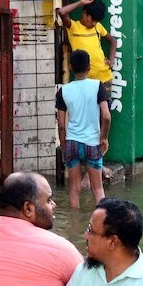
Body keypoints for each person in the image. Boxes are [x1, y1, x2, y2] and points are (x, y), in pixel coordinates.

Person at [56, 50, 111, 210]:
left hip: (72, 142)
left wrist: (64, 144)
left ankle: (73, 229)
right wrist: (104, 138)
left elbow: (61, 124)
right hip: (92, 143)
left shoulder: (63, 91)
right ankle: (102, 225)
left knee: (73, 191)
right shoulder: (97, 86)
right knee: (98, 190)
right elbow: (106, 116)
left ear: (71, 67)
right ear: (89, 67)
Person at [59, 0, 114, 87]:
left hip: (104, 79)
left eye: (96, 21)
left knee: (105, 102)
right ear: (84, 13)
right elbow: (62, 12)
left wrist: (111, 61)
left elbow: (113, 41)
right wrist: (81, 2)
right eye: (92, 20)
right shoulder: (73, 27)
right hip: (85, 81)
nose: (94, 23)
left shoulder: (97, 27)